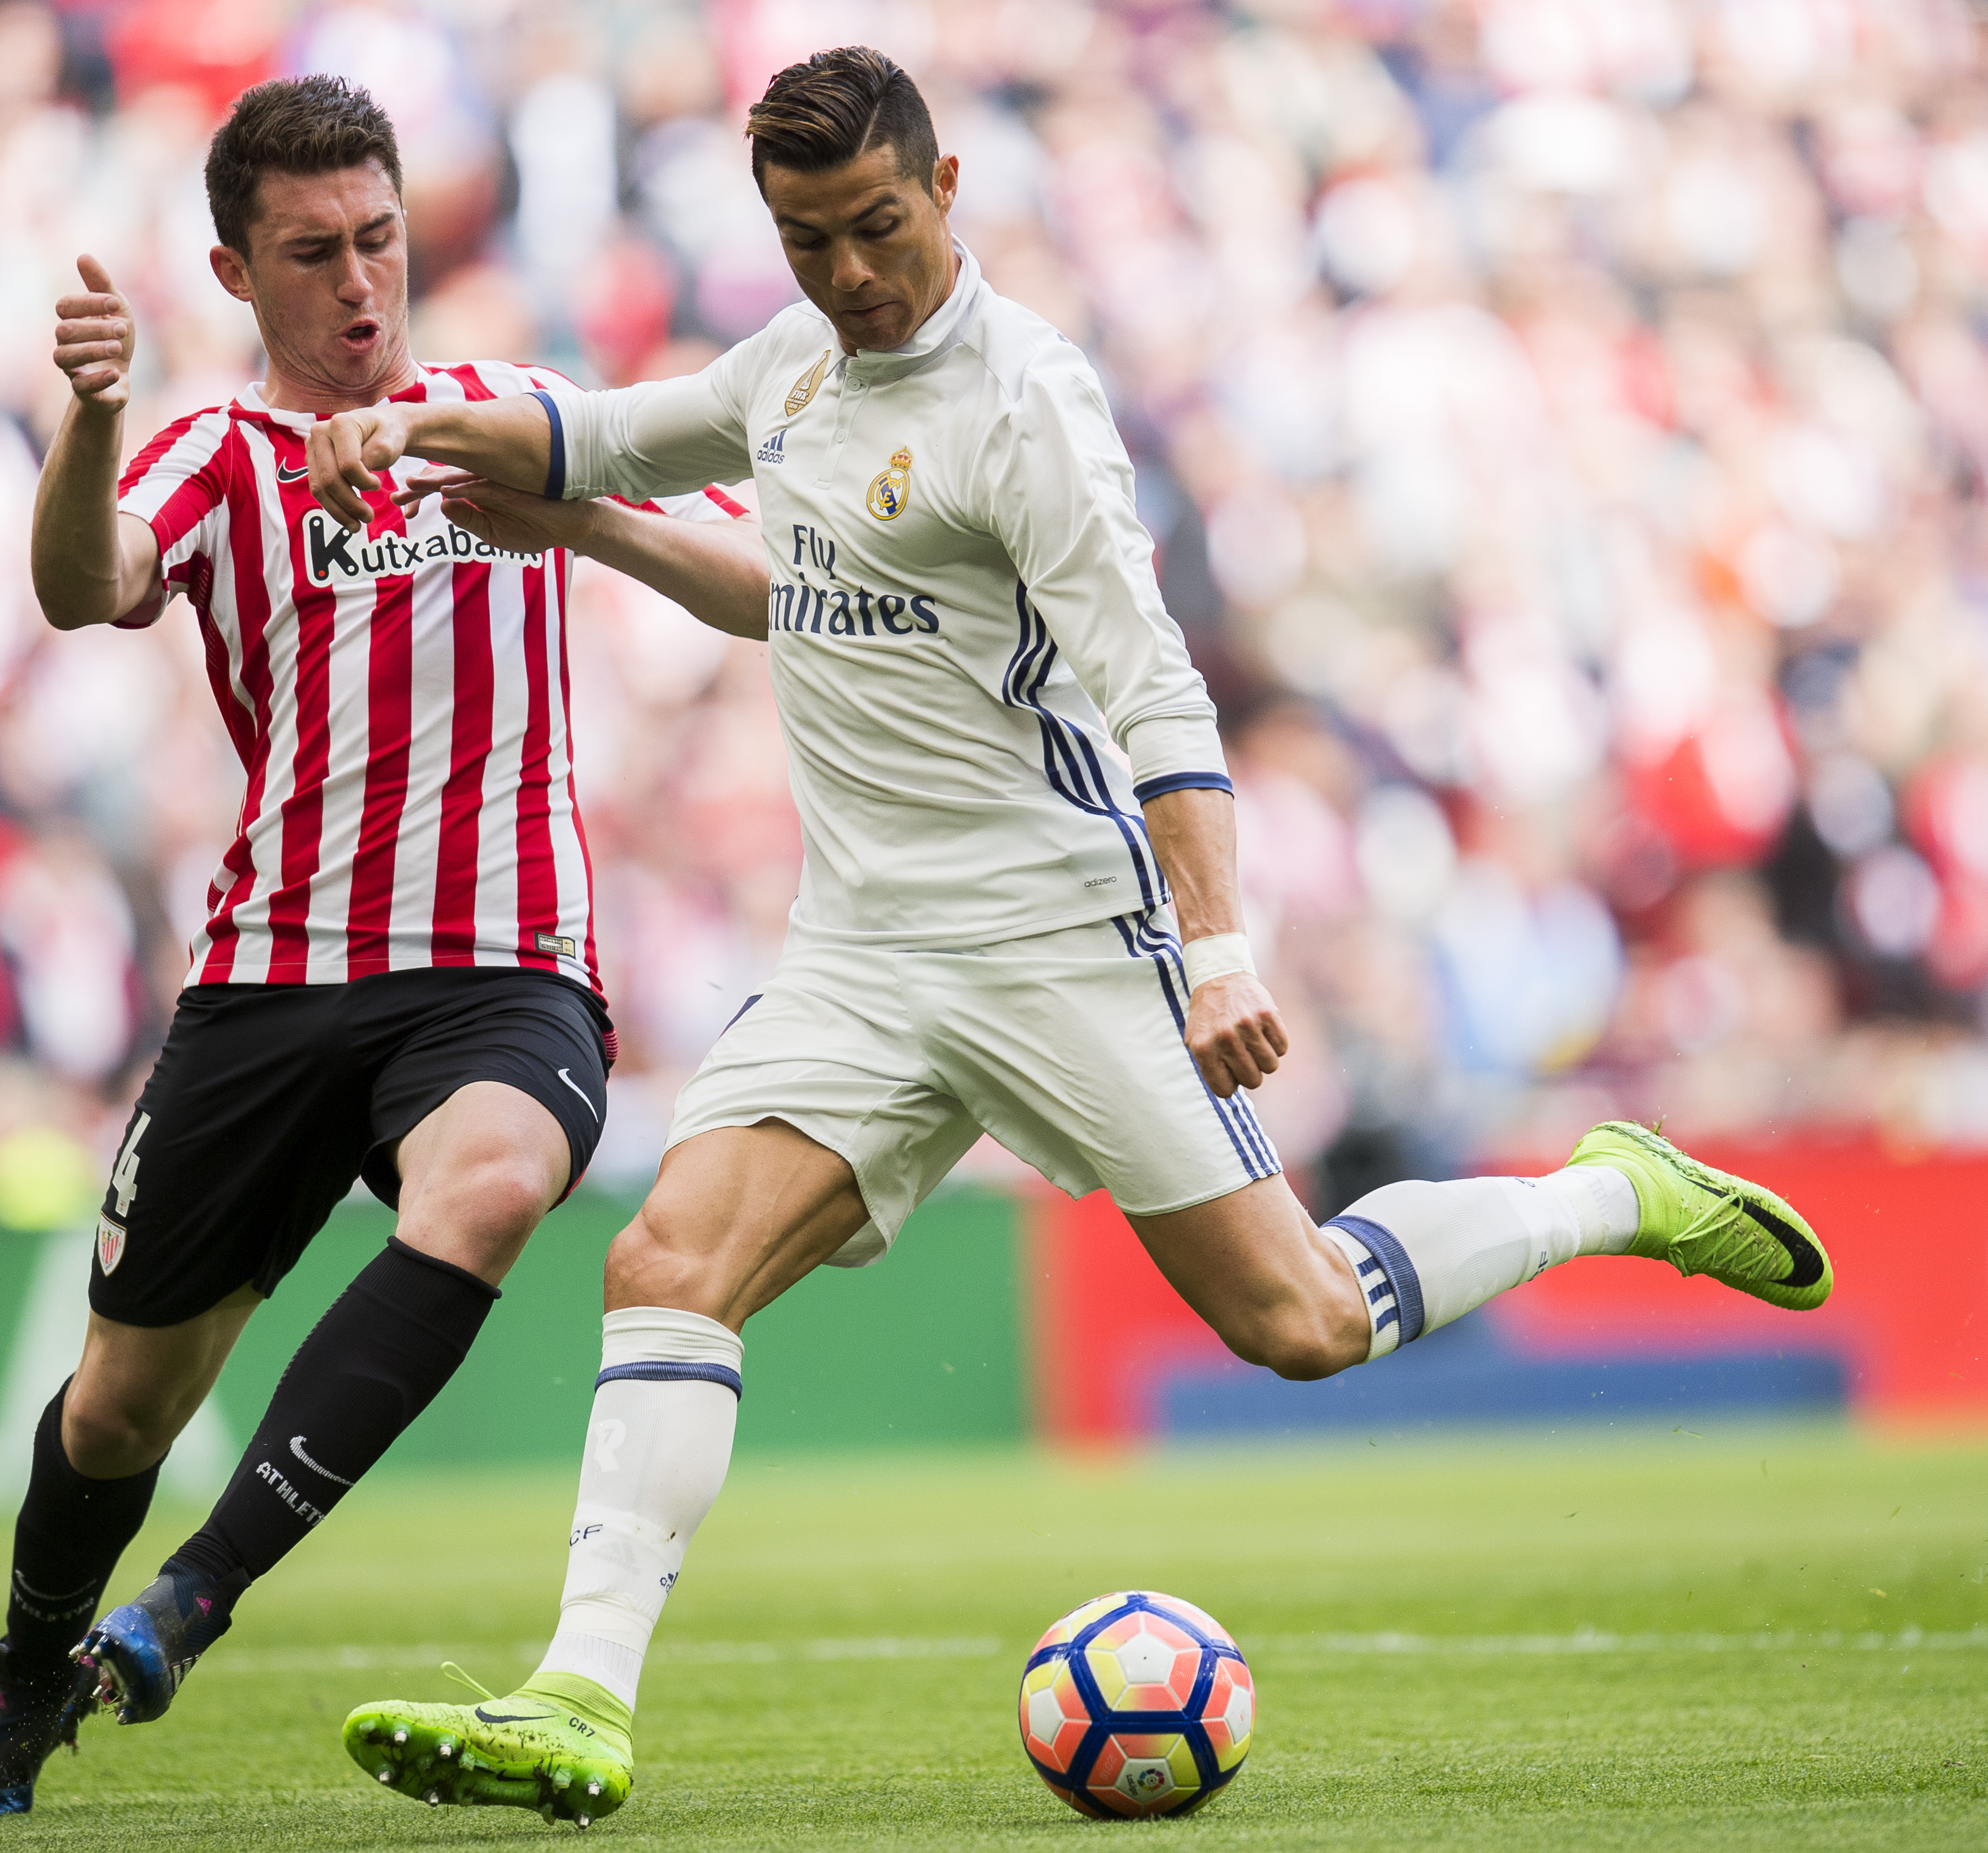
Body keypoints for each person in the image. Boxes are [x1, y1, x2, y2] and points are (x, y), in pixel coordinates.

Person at [308, 46, 1840, 1827]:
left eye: (878, 226)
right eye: (810, 241)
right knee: (664, 1265)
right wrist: (417, 430)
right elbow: (620, 448)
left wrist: (1218, 949)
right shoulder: (794, 368)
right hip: (864, 953)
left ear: (948, 186)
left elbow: (1154, 682)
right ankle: (578, 1699)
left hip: (1062, 937)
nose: (852, 274)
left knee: (1306, 1321)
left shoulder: (1027, 404)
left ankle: (1611, 1190)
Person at [0, 74, 768, 1820]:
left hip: (503, 965)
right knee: (112, 1419)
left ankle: (187, 1605)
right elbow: (88, 584)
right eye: (314, 255)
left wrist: (579, 512)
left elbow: (749, 579)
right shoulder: (216, 456)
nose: (360, 285)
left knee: (500, 1186)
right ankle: (23, 1677)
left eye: (379, 240)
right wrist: (86, 417)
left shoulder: (503, 414)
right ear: (238, 272)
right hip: (271, 980)